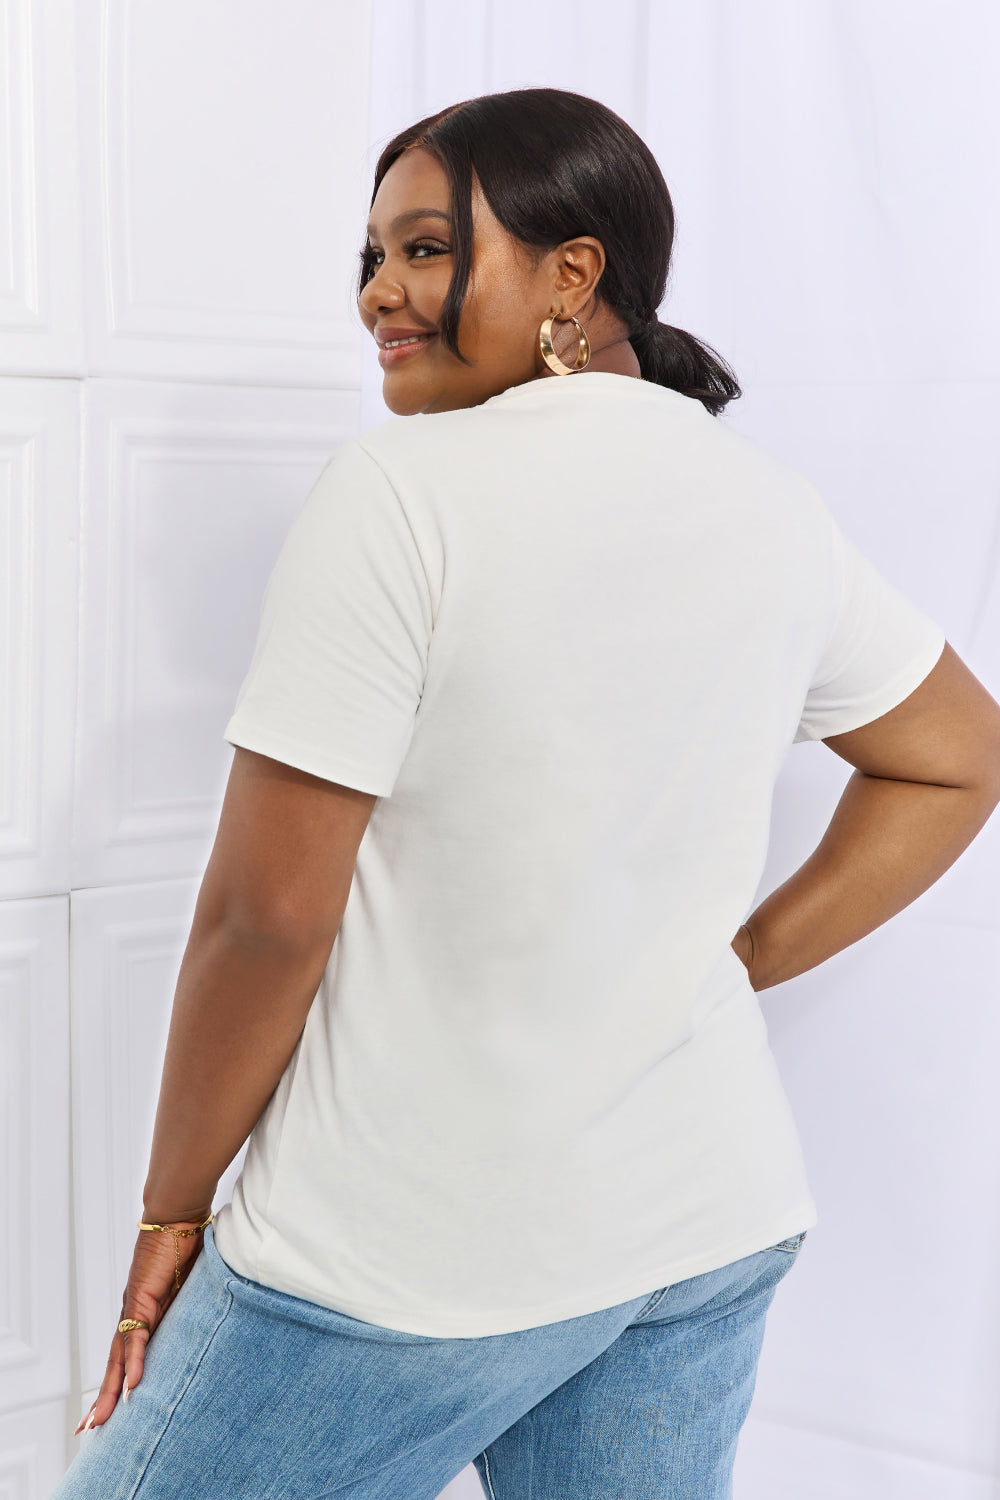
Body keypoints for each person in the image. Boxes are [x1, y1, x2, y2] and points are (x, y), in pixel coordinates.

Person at [55, 87, 1000, 1500]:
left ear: (574, 273)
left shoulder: (401, 496)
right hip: (699, 1224)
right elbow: (959, 753)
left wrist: (169, 1217)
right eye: (373, 256)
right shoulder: (767, 506)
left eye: (427, 248)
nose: (379, 292)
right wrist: (729, 964)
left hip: (402, 1258)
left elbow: (265, 922)